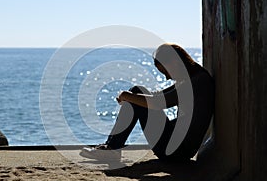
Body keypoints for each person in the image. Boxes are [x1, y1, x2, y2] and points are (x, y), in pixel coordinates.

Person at [80, 43, 214, 162]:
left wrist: (127, 96)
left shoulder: (196, 82)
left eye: (166, 71)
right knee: (137, 92)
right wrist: (130, 96)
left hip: (177, 151)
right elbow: (159, 96)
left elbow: (158, 103)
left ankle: (112, 148)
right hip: (174, 145)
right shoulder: (191, 78)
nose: (167, 77)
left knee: (135, 95)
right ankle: (111, 146)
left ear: (175, 62)